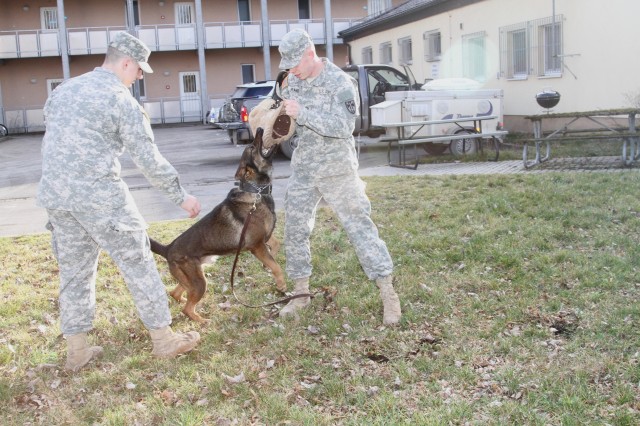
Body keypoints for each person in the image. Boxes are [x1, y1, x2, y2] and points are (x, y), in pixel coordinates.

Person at [37, 32, 201, 372]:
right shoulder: (119, 99)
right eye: (139, 70)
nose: (139, 77)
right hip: (99, 196)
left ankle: (77, 351)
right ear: (126, 63)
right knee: (138, 262)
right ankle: (163, 339)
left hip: (57, 198)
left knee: (75, 273)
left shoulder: (63, 90)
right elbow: (147, 157)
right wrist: (180, 196)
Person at [276, 29, 401, 325]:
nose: (291, 70)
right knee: (294, 228)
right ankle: (300, 293)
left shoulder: (341, 82)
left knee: (359, 227)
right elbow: (289, 114)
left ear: (310, 53)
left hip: (337, 169)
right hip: (304, 167)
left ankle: (388, 295)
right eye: (288, 66)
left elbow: (344, 127)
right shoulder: (293, 80)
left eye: (295, 63)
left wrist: (302, 113)